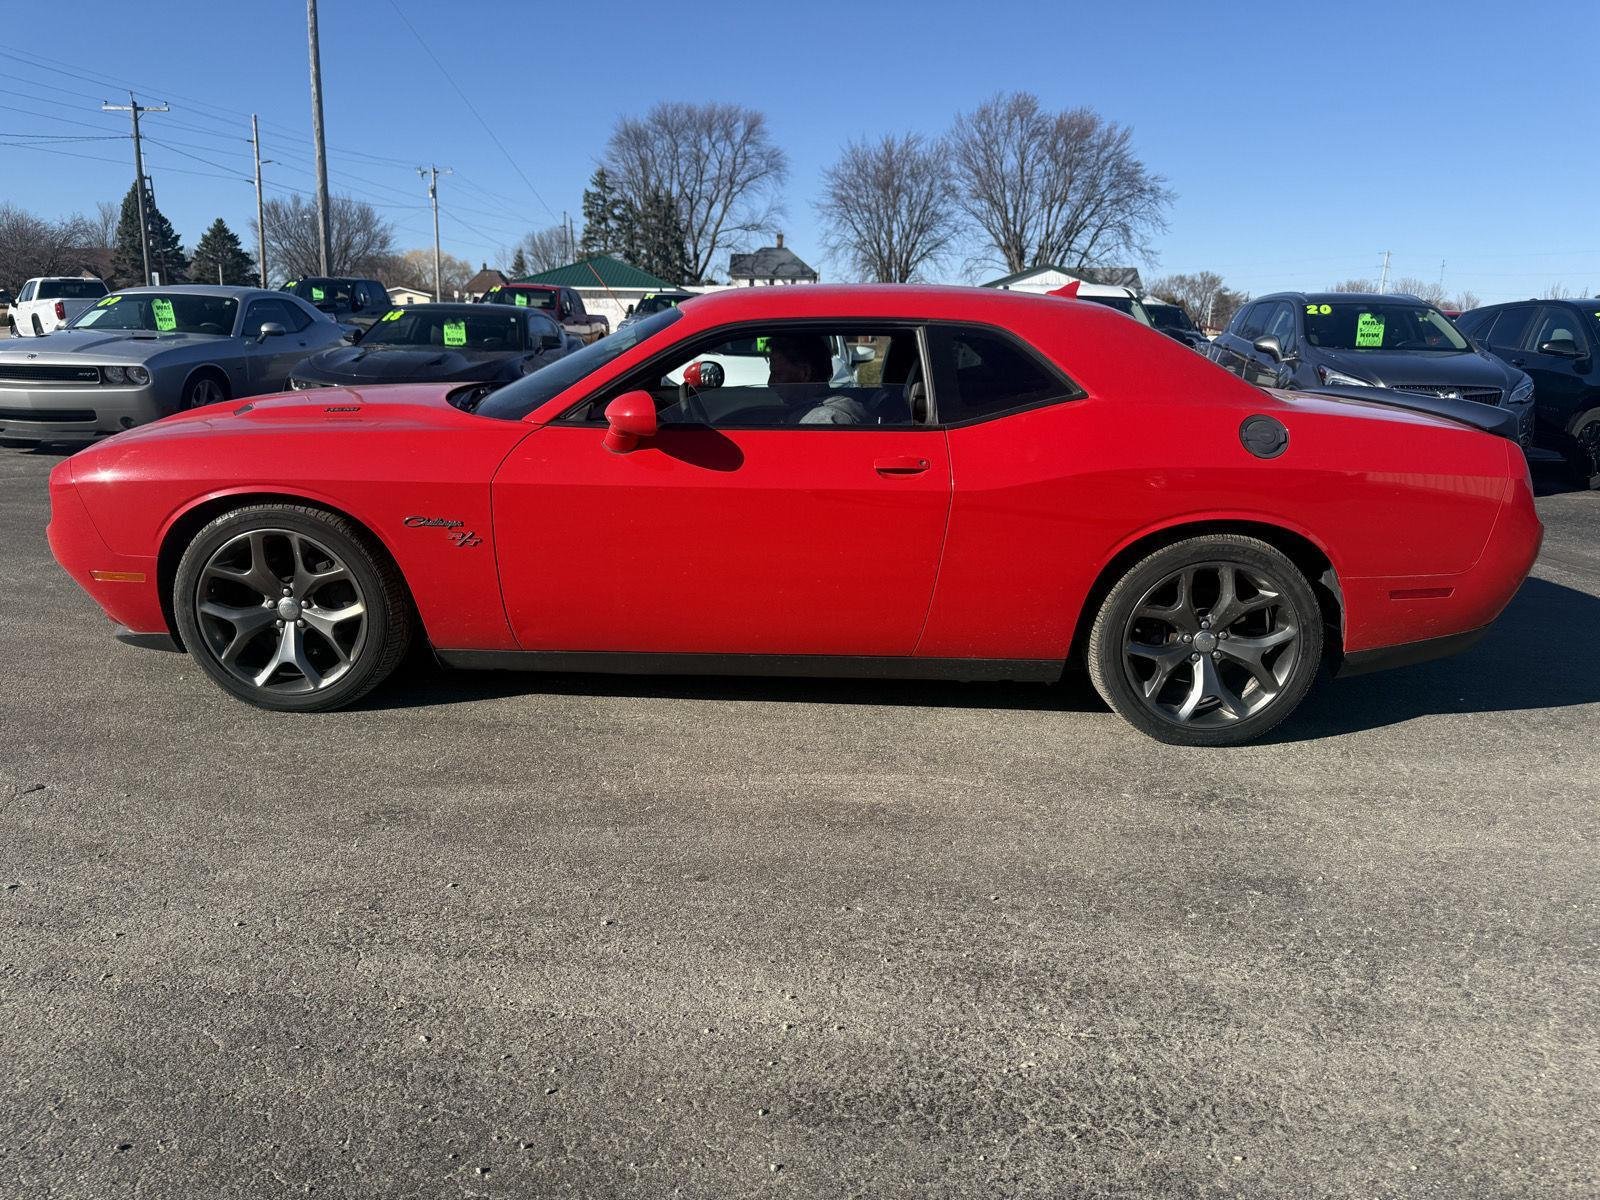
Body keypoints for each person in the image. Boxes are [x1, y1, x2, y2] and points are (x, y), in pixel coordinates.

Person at [765, 334, 868, 425]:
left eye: (777, 374)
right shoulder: (844, 406)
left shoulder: (818, 421)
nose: (770, 383)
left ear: (805, 373)